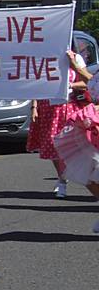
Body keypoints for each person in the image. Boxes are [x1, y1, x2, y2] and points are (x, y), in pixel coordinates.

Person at [31, 48, 94, 199]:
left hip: (70, 106)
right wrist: (34, 106)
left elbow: (87, 83)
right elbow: (35, 84)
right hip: (48, 107)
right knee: (53, 144)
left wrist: (70, 85)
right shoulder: (42, 57)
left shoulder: (75, 58)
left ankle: (79, 178)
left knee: (73, 144)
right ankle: (62, 179)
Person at [51, 49, 99, 231]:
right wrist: (75, 64)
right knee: (88, 173)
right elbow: (91, 82)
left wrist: (76, 66)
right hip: (93, 127)